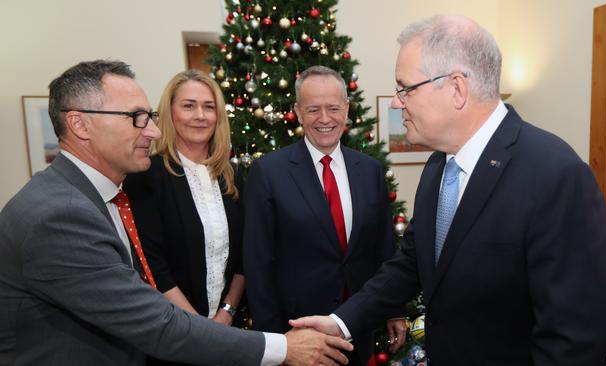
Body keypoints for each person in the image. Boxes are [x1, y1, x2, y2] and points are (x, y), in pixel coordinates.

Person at [290, 15, 606, 365]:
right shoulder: (438, 166)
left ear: (457, 88)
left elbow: (574, 342)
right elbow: (414, 263)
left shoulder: (556, 176)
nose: (397, 103)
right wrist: (341, 323)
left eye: (405, 88)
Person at [0, 59, 353, 366]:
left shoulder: (93, 196)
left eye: (150, 117)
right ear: (80, 124)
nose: (152, 130)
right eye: (136, 117)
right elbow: (156, 321)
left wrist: (228, 312)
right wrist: (283, 347)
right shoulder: (61, 215)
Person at [243, 65, 407, 365]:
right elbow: (258, 264)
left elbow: (384, 248)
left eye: (333, 107)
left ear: (346, 108)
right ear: (298, 111)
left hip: (359, 328)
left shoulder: (370, 171)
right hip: (298, 334)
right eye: (313, 109)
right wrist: (278, 344)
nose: (324, 119)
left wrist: (393, 309)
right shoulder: (268, 172)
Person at [123, 69, 246, 366]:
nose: (200, 115)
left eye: (208, 106)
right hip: (171, 334)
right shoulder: (147, 176)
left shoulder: (235, 177)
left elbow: (245, 255)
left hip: (229, 329)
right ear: (170, 113)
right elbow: (152, 265)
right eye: (188, 106)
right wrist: (200, 329)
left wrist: (227, 312)